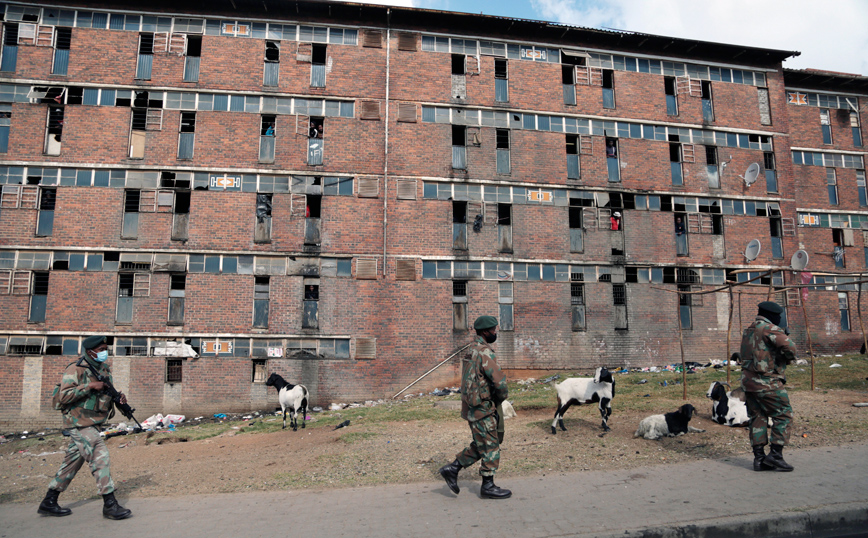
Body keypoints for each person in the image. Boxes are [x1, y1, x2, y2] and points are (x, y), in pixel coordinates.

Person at [38, 335, 133, 519]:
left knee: (73, 461)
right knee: (99, 453)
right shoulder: (76, 369)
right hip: (78, 422)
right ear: (90, 352)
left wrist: (119, 398)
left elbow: (106, 391)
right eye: (101, 350)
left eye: (106, 349)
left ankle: (49, 501)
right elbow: (63, 396)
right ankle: (110, 504)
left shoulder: (103, 368)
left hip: (93, 422)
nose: (105, 352)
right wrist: (89, 386)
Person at [439, 315, 511, 499]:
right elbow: (499, 382)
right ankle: (488, 486)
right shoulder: (485, 352)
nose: (495, 332)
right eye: (494, 330)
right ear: (486, 332)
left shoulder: (471, 350)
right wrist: (499, 400)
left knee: (483, 443)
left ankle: (452, 469)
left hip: (472, 407)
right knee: (491, 445)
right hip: (483, 407)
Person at [740, 301, 797, 472]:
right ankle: (775, 456)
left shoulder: (749, 330)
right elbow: (791, 348)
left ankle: (759, 459)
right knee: (784, 415)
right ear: (772, 315)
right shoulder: (770, 328)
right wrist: (784, 357)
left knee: (757, 418)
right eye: (778, 316)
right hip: (767, 383)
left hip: (748, 383)